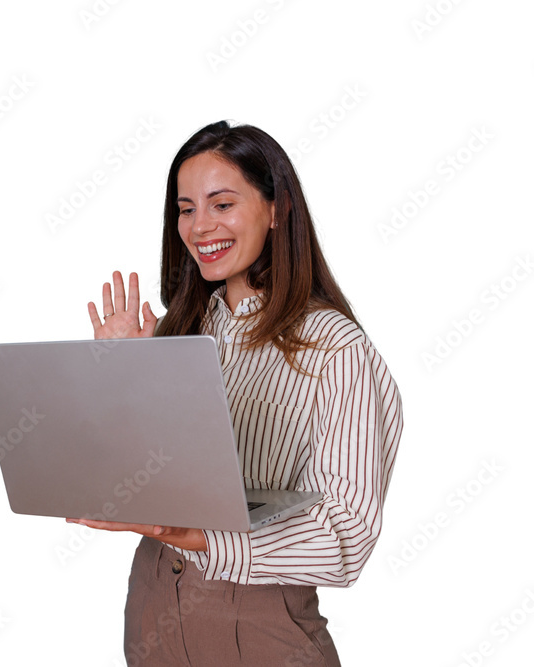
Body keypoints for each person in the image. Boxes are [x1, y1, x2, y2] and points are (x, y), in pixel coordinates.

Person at [66, 120, 404, 666]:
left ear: (276, 210)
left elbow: (345, 537)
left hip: (260, 628)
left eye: (221, 204)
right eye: (186, 208)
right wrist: (120, 375)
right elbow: (139, 475)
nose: (200, 226)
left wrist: (195, 535)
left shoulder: (335, 348)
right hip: (153, 610)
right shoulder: (181, 332)